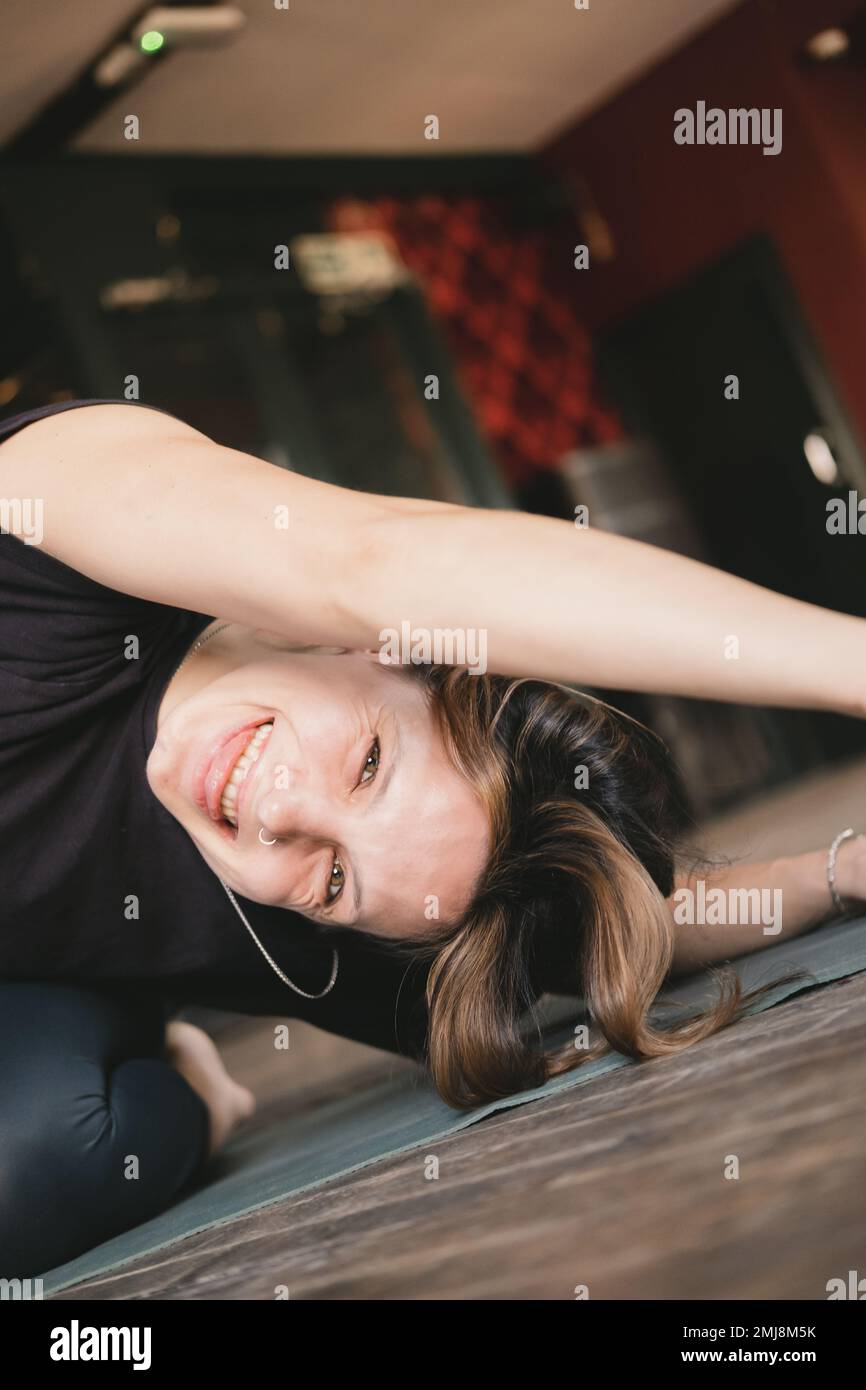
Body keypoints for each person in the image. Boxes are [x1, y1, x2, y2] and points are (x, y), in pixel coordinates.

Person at [2, 396, 865, 1275]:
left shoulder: (342, 916)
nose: (280, 813)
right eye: (370, 763)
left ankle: (187, 1082)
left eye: (337, 881)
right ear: (376, 646)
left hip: (41, 998)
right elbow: (371, 557)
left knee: (31, 1169)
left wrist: (840, 871)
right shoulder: (53, 513)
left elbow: (627, 927)